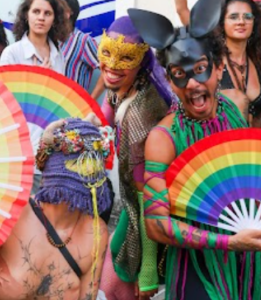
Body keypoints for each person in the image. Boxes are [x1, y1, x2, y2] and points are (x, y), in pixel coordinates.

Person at [128, 0, 261, 299]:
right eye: (179, 73)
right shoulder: (164, 138)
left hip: (252, 268)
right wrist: (229, 242)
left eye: (200, 69)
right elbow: (157, 225)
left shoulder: (232, 111)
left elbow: (249, 180)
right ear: (168, 79)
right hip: (198, 273)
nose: (191, 83)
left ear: (218, 68)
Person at [0, 117, 112, 300]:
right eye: (77, 162)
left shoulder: (96, 232)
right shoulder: (11, 211)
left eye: (92, 161)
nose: (87, 170)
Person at [98, 16, 174, 300]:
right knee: (112, 267)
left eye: (126, 57)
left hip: (152, 211)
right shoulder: (123, 85)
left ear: (142, 60)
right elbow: (100, 119)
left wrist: (148, 271)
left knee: (120, 275)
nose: (113, 66)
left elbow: (148, 197)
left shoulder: (141, 110)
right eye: (107, 52)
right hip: (130, 203)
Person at [218, 0, 261, 128]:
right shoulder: (212, 62)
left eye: (247, 17)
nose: (241, 22)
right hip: (219, 144)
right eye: (233, 17)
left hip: (255, 144)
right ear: (222, 23)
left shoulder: (259, 61)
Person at [0, 0, 67, 74]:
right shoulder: (11, 53)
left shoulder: (58, 54)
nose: (41, 18)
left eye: (47, 13)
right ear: (26, 15)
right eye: (36, 12)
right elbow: (3, 85)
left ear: (54, 20)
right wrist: (35, 79)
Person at [59, 0, 105, 99]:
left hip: (73, 109)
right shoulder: (50, 41)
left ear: (67, 13)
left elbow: (108, 69)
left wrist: (91, 100)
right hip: (49, 108)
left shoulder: (83, 41)